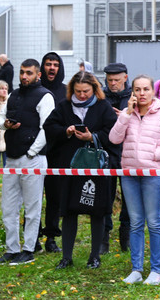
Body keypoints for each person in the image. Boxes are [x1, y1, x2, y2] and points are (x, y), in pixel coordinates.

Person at [109, 75, 160, 285]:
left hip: (153, 175)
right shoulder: (127, 113)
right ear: (132, 92)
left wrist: (154, 155)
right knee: (135, 223)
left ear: (153, 90)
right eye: (138, 90)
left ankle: (157, 270)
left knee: (154, 222)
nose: (142, 94)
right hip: (130, 175)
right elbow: (114, 139)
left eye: (146, 89)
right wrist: (126, 115)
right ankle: (137, 269)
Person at [43, 72, 119, 269]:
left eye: (86, 91)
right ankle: (66, 257)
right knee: (68, 211)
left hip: (97, 167)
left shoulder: (103, 107)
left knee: (97, 212)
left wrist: (92, 137)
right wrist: (65, 131)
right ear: (72, 90)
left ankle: (95, 256)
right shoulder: (64, 106)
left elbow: (114, 133)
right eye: (78, 91)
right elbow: (49, 126)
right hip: (69, 166)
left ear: (94, 89)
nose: (82, 95)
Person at [0, 59, 55, 266]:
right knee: (9, 207)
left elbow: (48, 128)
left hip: (33, 159)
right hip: (11, 158)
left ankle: (28, 250)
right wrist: (5, 124)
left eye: (28, 73)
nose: (24, 76)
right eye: (21, 72)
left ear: (38, 75)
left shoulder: (45, 96)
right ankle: (12, 250)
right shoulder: (13, 95)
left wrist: (31, 153)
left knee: (32, 207)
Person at [102, 62, 132, 253]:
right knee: (106, 197)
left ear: (125, 78)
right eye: (110, 80)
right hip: (107, 153)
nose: (113, 83)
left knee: (129, 198)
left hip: (128, 153)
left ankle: (126, 237)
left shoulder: (134, 97)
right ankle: (103, 238)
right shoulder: (101, 97)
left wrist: (125, 117)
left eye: (116, 80)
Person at [39, 51, 68, 253]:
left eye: (55, 65)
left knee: (55, 197)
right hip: (34, 152)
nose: (51, 68)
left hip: (57, 152)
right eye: (48, 64)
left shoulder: (66, 92)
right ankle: (32, 237)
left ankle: (51, 237)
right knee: (32, 197)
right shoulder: (36, 90)